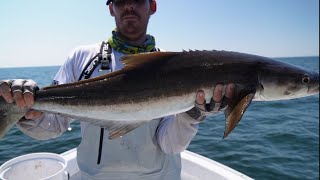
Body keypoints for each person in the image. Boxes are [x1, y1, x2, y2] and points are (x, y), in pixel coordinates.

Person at [0, 0, 235, 179]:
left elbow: (169, 145)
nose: (129, 6)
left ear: (152, 6)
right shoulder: (81, 58)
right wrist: (26, 109)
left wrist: (193, 114)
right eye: (120, 0)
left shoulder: (174, 69)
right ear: (111, 8)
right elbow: (50, 127)